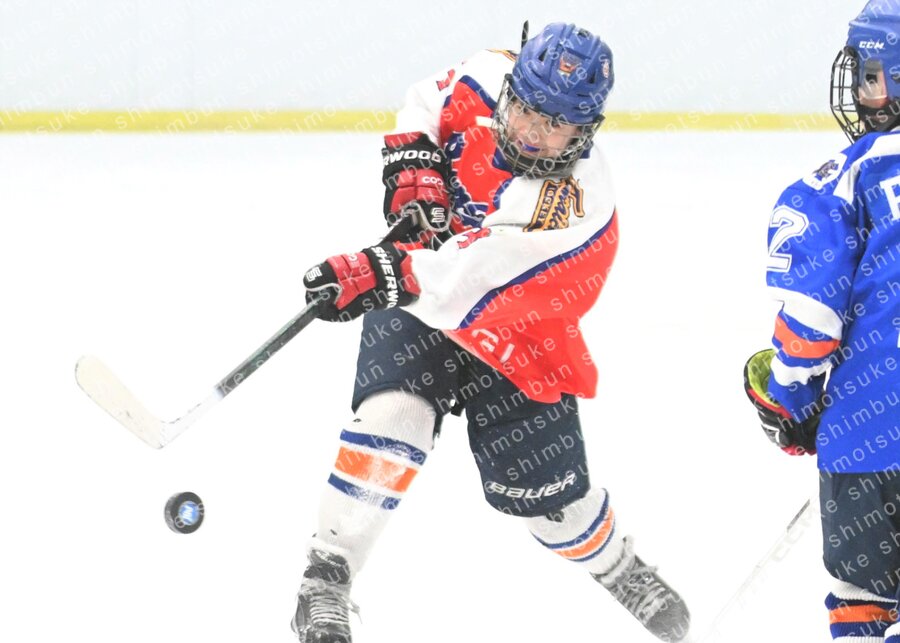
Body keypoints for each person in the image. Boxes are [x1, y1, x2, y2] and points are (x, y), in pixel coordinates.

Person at [295, 22, 690, 643]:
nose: (533, 131)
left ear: (585, 130)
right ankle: (326, 578)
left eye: (556, 124)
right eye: (526, 108)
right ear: (512, 86)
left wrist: (382, 273)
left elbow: (468, 280)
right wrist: (416, 164)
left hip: (516, 333)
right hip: (425, 296)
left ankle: (618, 566)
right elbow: (426, 102)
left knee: (552, 504)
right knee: (392, 420)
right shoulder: (484, 74)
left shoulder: (579, 206)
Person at [743, 1, 900, 640]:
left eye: (874, 76)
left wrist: (790, 399)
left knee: (861, 598)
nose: (867, 92)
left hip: (868, 437)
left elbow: (810, 321)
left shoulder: (846, 177)